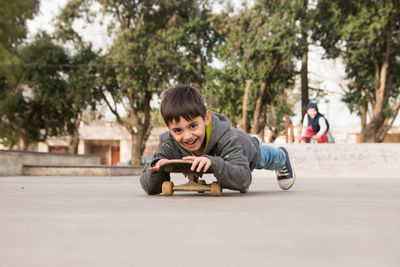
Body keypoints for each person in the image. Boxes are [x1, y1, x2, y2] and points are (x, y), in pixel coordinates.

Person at [140, 85, 296, 195]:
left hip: (243, 146)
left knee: (260, 156)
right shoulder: (168, 142)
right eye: (178, 130)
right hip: (230, 149)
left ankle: (280, 154)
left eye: (193, 126)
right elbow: (149, 188)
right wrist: (156, 168)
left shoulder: (225, 139)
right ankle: (253, 140)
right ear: (169, 128)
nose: (187, 136)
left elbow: (243, 179)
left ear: (206, 118)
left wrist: (214, 162)